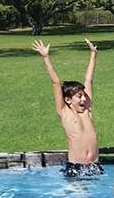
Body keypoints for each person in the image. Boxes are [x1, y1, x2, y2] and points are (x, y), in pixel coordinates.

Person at [32, 39, 101, 177]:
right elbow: (56, 83)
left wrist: (93, 55)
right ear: (68, 100)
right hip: (76, 168)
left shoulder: (87, 110)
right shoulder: (65, 112)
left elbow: (89, 80)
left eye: (84, 95)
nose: (84, 99)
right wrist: (46, 57)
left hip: (95, 166)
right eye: (79, 96)